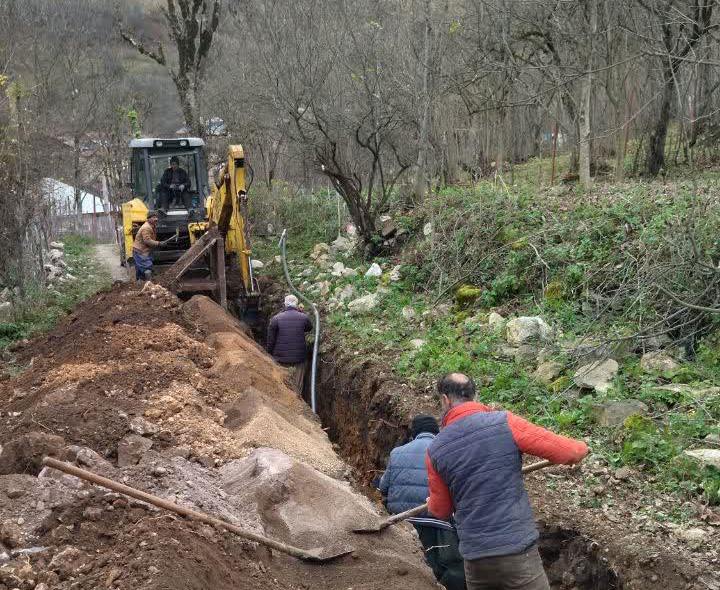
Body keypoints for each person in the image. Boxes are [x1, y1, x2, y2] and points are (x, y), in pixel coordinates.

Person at [425, 373, 589, 590]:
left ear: (445, 400)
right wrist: (582, 447)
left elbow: (441, 511)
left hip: (476, 560)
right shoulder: (505, 422)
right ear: (475, 395)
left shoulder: (435, 449)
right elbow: (570, 453)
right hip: (517, 552)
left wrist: (431, 504)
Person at [378, 414, 466, 590]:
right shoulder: (447, 452)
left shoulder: (397, 452)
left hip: (403, 522)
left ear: (414, 433)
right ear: (437, 431)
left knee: (414, 565)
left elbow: (383, 487)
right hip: (439, 521)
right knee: (453, 569)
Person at [267, 295, 312, 393]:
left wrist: (269, 354)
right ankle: (298, 403)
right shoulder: (303, 317)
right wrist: (301, 312)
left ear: (284, 304)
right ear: (296, 305)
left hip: (280, 359)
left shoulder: (276, 319)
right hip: (299, 359)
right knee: (297, 387)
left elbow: (271, 340)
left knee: (282, 386)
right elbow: (309, 327)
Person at [132, 211, 171, 281]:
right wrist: (159, 243)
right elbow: (147, 240)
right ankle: (149, 286)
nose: (156, 219)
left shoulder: (152, 226)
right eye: (153, 217)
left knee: (140, 271)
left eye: (156, 217)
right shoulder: (146, 227)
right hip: (141, 252)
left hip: (141, 251)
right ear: (148, 218)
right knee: (147, 268)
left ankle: (140, 285)